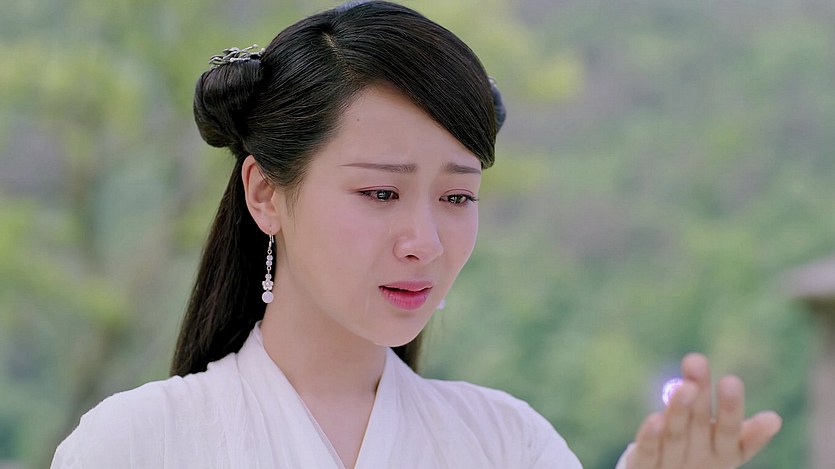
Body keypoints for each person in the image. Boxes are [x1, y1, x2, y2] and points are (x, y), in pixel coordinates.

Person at [51, 2, 782, 467]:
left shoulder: (507, 444)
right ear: (265, 193)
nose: (425, 241)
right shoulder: (135, 444)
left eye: (457, 195)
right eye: (380, 192)